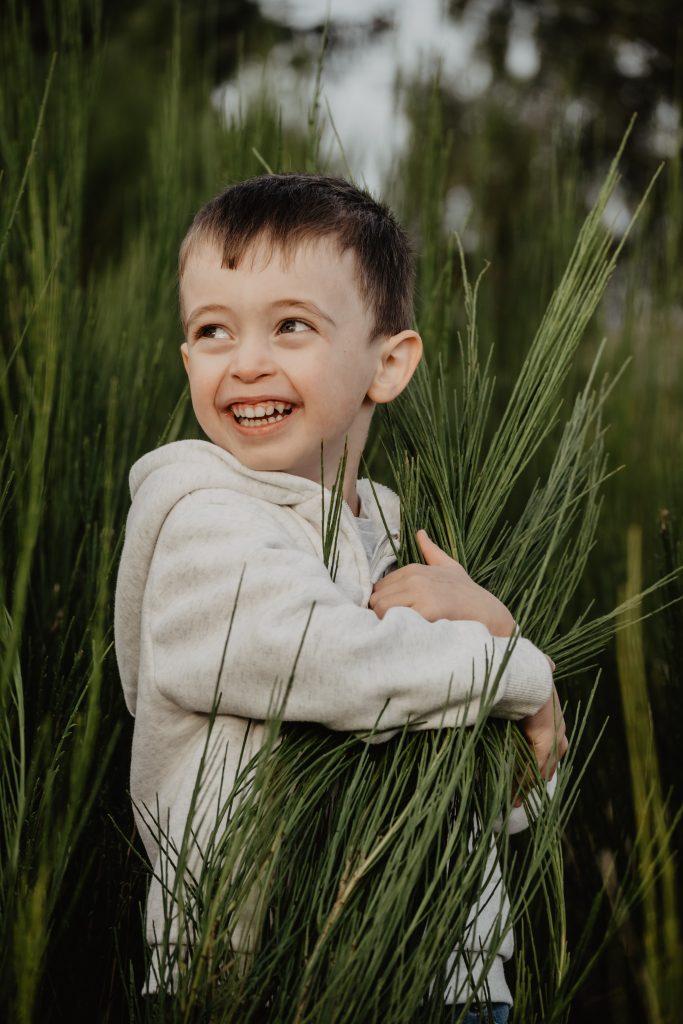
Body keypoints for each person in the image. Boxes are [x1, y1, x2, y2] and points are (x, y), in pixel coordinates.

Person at [114, 173, 567, 1020]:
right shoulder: (201, 527)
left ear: (387, 363)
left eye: (290, 325)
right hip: (252, 972)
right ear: (186, 359)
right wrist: (518, 667)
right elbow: (329, 665)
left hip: (451, 973)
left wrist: (526, 753)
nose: (246, 360)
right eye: (212, 330)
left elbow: (469, 779)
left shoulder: (394, 539)